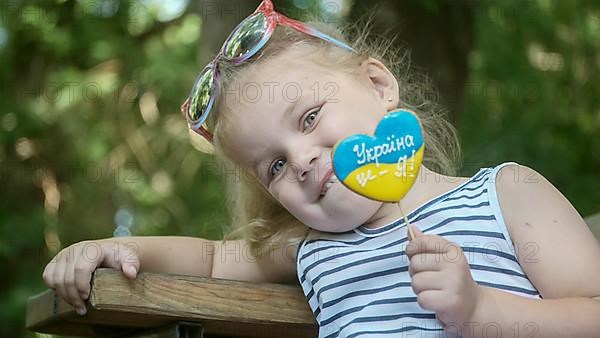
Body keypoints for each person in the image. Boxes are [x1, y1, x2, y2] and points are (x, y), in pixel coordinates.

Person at [43, 1, 600, 337]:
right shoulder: (310, 246)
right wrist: (111, 248)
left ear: (379, 85)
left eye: (309, 117)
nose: (303, 159)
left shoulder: (506, 195)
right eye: (275, 164)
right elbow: (210, 260)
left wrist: (481, 313)